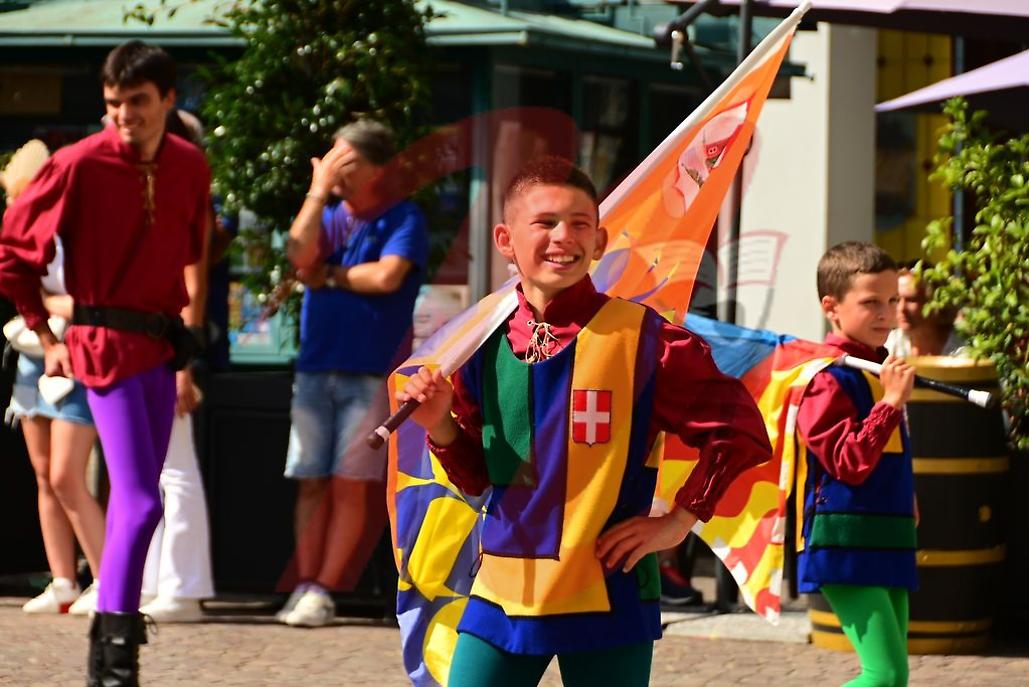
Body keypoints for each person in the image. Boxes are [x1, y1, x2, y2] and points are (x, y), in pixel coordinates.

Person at [397, 157, 771, 686]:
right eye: (545, 222)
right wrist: (440, 427)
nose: (563, 238)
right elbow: (484, 479)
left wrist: (679, 521)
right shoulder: (478, 344)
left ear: (600, 241)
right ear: (505, 239)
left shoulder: (650, 341)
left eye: (579, 224)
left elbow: (741, 433)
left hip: (608, 590)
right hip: (502, 591)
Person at [0, 41, 210, 686]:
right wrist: (44, 331)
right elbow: (13, 252)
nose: (123, 115)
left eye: (138, 103)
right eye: (114, 103)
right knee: (141, 501)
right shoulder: (78, 163)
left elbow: (193, 249)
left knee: (137, 501)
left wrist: (186, 349)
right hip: (100, 344)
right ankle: (118, 651)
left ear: (167, 100)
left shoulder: (188, 163)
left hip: (159, 344)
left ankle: (108, 652)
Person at [279, 119, 428, 627]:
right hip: (315, 366)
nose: (337, 171)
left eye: (348, 162)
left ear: (379, 168)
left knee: (349, 483)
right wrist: (317, 193)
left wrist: (331, 276)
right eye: (332, 159)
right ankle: (304, 582)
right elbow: (299, 255)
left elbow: (387, 275)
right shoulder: (329, 214)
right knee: (310, 480)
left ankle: (324, 590)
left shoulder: (403, 217)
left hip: (371, 371)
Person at [797, 241, 917, 687]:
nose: (886, 313)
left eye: (892, 301)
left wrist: (911, 500)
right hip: (846, 537)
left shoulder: (879, 370)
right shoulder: (825, 377)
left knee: (894, 678)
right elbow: (848, 462)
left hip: (891, 531)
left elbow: (892, 456)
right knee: (883, 676)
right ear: (832, 307)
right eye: (871, 302)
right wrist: (889, 403)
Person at [2, 154, 105, 618]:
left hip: (77, 354)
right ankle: (63, 580)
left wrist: (46, 302)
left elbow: (91, 298)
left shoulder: (78, 229)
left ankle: (107, 579)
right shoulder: (23, 232)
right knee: (44, 475)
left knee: (67, 475)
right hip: (32, 354)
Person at [138, 109, 216, 624]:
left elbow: (193, 285)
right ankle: (153, 581)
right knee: (148, 469)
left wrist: (182, 364)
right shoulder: (156, 196)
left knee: (175, 468)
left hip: (167, 348)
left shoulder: (187, 199)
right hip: (142, 346)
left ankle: (184, 588)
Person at [886, 265, 964, 358]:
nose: (901, 308)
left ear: (933, 302)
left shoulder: (960, 347)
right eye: (896, 300)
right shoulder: (892, 343)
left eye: (911, 300)